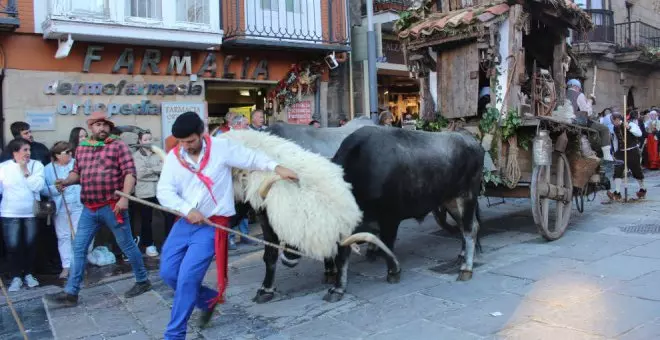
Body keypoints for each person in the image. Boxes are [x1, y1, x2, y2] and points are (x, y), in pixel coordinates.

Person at [156, 112, 298, 339]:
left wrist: (277, 167)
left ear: (201, 134)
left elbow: (252, 158)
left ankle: (174, 334)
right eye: (181, 142)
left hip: (211, 225)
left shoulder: (221, 148)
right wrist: (187, 210)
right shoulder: (175, 157)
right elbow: (164, 191)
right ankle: (208, 300)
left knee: (187, 279)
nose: (185, 146)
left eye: (190, 141)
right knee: (168, 273)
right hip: (184, 223)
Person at [45, 111, 152, 307]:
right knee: (78, 248)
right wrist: (66, 182)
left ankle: (143, 280)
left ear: (109, 127)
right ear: (91, 127)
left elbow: (130, 173)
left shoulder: (118, 146)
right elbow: (77, 172)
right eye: (97, 124)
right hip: (89, 209)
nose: (101, 128)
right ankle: (71, 293)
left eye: (105, 124)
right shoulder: (82, 149)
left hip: (113, 206)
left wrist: (125, 199)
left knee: (127, 246)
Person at [1, 138, 45, 291]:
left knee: (30, 245)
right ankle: (15, 277)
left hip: (30, 212)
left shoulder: (36, 165)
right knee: (13, 246)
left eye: (29, 150)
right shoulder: (3, 168)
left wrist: (25, 170)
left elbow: (38, 186)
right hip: (9, 212)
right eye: (24, 150)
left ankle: (29, 274)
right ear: (15, 152)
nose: (28, 153)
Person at [42, 141, 87, 279]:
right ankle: (66, 266)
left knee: (78, 236)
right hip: (60, 206)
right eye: (66, 152)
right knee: (63, 236)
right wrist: (56, 189)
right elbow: (42, 189)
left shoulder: (76, 163)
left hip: (78, 204)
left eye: (70, 151)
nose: (70, 154)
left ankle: (79, 265)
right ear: (57, 155)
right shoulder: (48, 169)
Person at [132, 130, 164, 257]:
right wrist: (156, 172)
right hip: (144, 191)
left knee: (168, 216)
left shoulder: (158, 153)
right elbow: (140, 174)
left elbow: (166, 166)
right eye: (145, 140)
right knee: (146, 219)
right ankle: (148, 245)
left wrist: (150, 170)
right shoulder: (136, 156)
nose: (148, 142)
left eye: (150, 139)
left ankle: (167, 242)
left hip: (159, 190)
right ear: (140, 141)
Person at [566, 79, 614, 162]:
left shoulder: (563, 94)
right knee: (604, 129)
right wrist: (589, 101)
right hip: (579, 120)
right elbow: (587, 113)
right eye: (578, 88)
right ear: (575, 87)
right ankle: (607, 155)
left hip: (566, 119)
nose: (579, 90)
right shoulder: (579, 95)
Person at [606, 111, 646, 202]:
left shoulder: (630, 124)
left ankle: (642, 189)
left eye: (614, 120)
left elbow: (639, 134)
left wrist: (629, 127)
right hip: (621, 152)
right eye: (612, 121)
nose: (613, 122)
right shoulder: (614, 128)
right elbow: (616, 140)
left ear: (619, 119)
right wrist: (615, 152)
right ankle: (617, 193)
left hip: (632, 151)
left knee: (636, 171)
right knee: (618, 170)